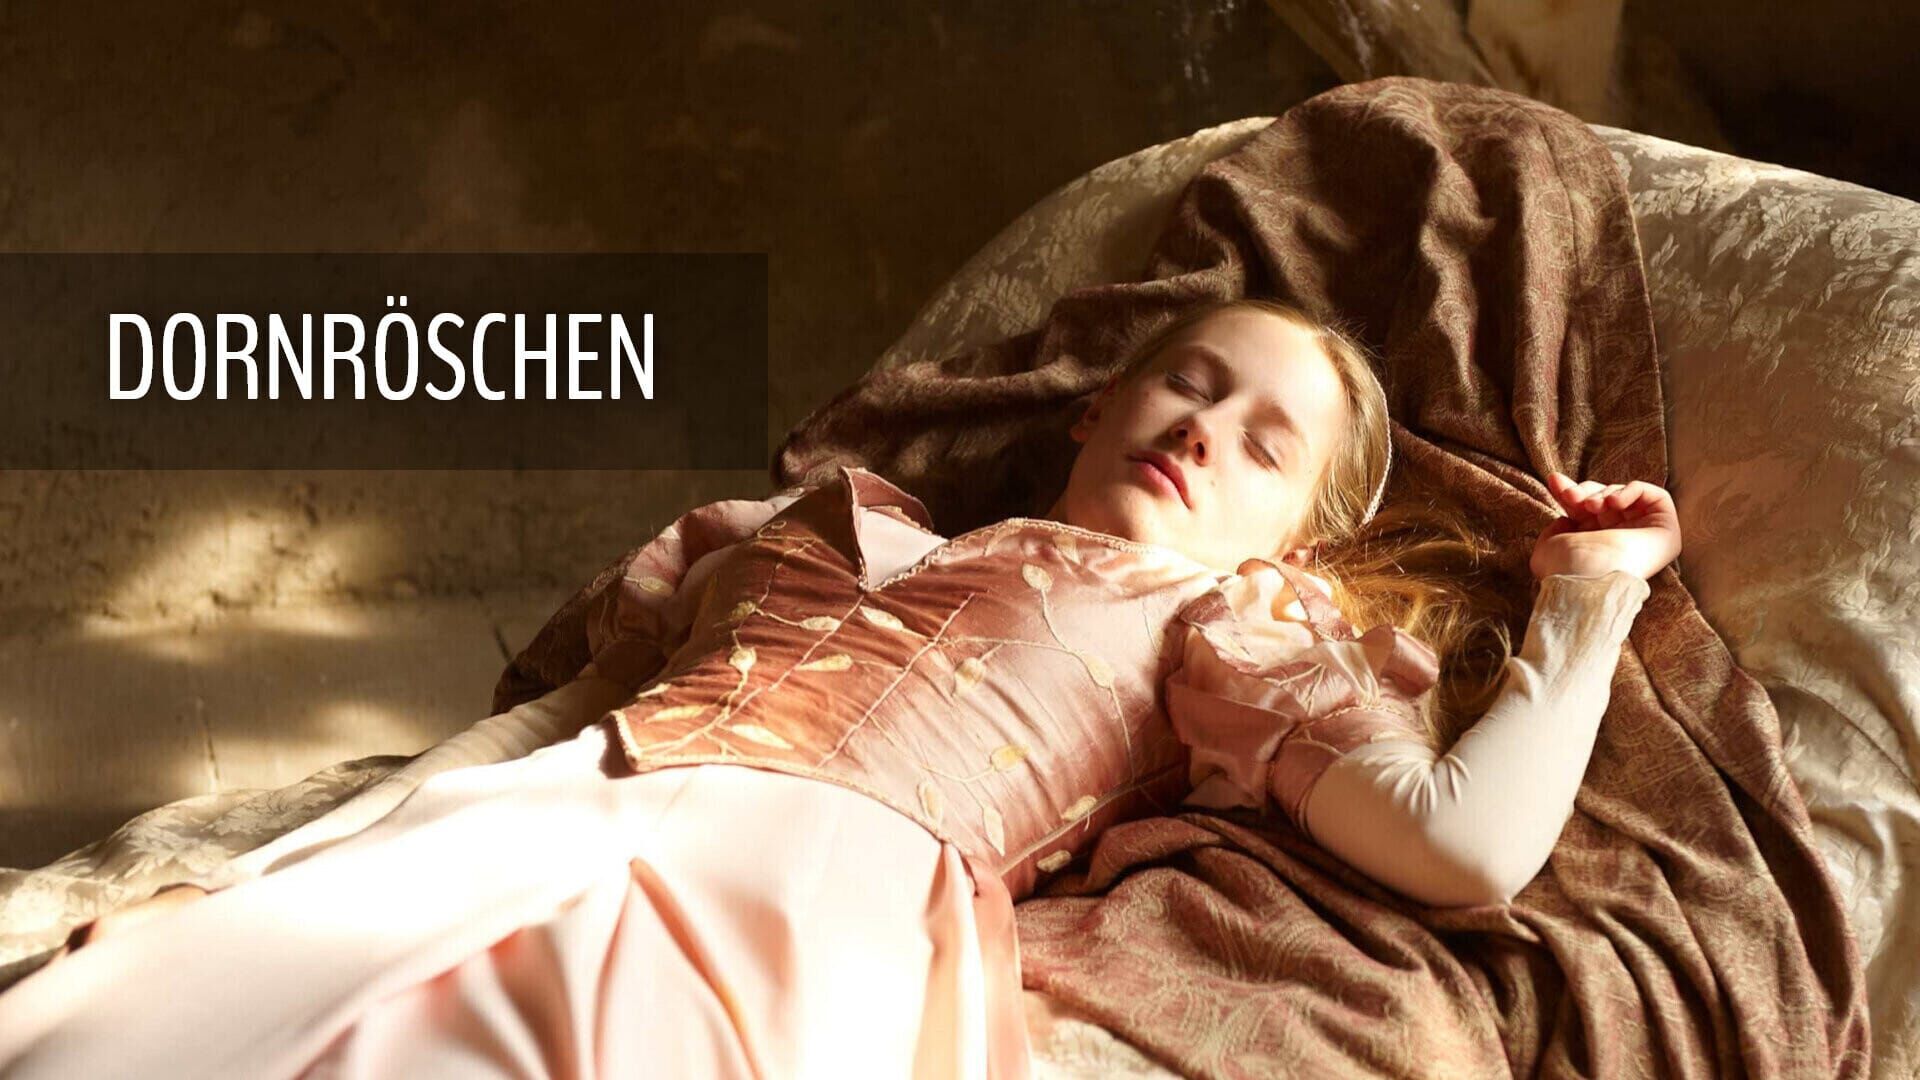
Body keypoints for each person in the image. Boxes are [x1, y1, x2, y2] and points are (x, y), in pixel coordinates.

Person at [0, 298, 1675, 1078]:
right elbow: (559, 715)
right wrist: (328, 843)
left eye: (1263, 441)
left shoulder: (1221, 626)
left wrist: (1590, 596)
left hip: (814, 893)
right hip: (558, 808)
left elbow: (1467, 843)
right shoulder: (821, 531)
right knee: (158, 1020)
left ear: (1293, 538)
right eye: (1186, 380)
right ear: (1096, 407)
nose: (1199, 429)